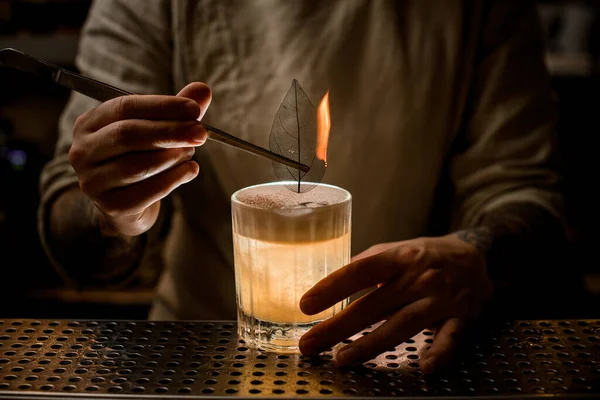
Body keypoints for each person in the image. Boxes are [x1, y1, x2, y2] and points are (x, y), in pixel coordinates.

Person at [38, 0, 567, 373]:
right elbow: (75, 242)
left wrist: (473, 255)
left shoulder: (479, 8)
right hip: (207, 351)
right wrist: (113, 210)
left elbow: (527, 196)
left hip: (404, 357)